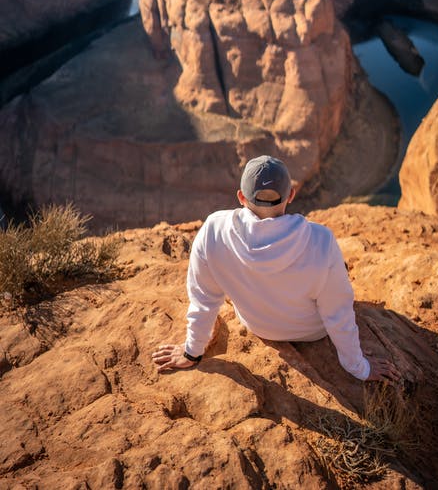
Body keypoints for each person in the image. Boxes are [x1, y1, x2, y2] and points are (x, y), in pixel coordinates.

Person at [152, 155, 400, 382]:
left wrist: (192, 353)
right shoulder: (320, 241)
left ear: (241, 197)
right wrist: (359, 368)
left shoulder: (213, 231)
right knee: (335, 276)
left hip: (258, 325)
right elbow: (339, 314)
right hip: (313, 332)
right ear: (291, 195)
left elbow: (203, 302)